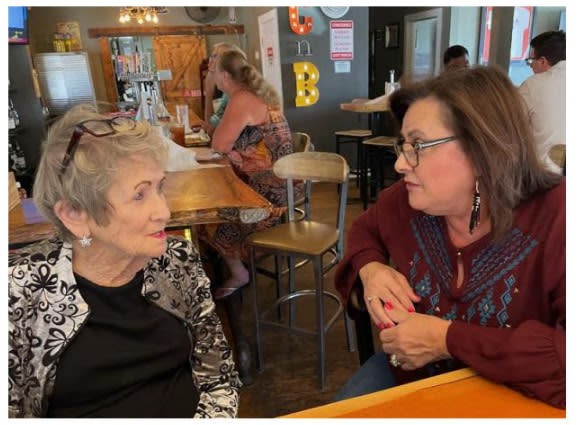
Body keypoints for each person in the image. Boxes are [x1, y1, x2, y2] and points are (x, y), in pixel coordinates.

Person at [334, 66, 565, 409]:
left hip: (517, 396)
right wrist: (372, 270)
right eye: (403, 145)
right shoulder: (406, 202)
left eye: (418, 145)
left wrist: (446, 339)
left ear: (483, 149)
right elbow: (364, 230)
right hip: (410, 379)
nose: (399, 163)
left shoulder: (558, 216)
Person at [8, 105, 241, 418]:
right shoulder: (19, 291)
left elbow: (219, 379)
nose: (165, 212)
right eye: (139, 195)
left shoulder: (178, 261)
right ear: (75, 215)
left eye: (159, 187)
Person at [199, 50, 297, 300]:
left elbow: (218, 145)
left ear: (223, 76)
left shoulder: (241, 98)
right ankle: (230, 264)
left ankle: (238, 271)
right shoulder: (257, 93)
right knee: (215, 196)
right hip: (283, 184)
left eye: (214, 74)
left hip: (269, 195)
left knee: (209, 216)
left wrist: (209, 92)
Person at [519, 30, 566, 174]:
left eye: (531, 61)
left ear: (543, 61)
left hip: (545, 176)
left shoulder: (533, 85)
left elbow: (513, 127)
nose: (531, 66)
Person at [201, 43, 247, 136]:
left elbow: (212, 131)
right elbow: (210, 125)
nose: (209, 63)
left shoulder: (239, 93)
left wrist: (209, 91)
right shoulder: (228, 94)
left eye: (214, 57)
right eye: (210, 57)